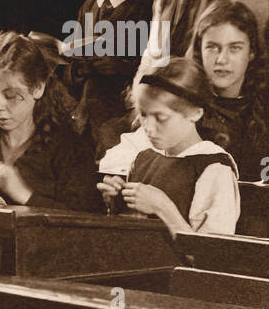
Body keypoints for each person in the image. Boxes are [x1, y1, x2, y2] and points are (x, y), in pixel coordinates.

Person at [97, 57, 239, 236]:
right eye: (143, 114)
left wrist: (162, 207)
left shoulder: (214, 168)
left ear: (195, 113)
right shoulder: (143, 158)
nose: (148, 127)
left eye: (161, 118)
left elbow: (213, 254)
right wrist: (115, 202)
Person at [0, 31, 102, 212]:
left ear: (38, 88)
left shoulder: (69, 148)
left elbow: (86, 222)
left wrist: (23, 194)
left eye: (11, 95)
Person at [191, 1, 269, 179]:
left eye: (235, 48)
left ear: (251, 52)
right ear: (199, 51)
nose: (222, 59)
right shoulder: (184, 100)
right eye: (212, 47)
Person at [63, 0, 153, 156]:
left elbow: (157, 66)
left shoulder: (147, 6)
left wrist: (120, 67)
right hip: (87, 113)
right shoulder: (89, 6)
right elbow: (75, 66)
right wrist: (79, 68)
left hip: (124, 116)